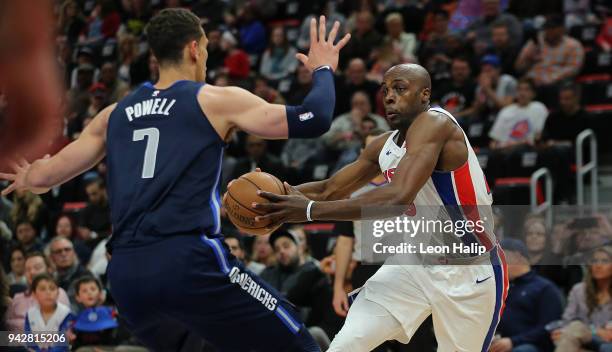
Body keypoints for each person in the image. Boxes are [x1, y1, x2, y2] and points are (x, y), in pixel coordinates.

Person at [0, 8, 349, 351]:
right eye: (207, 51)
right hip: (187, 261)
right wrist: (322, 68)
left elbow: (46, 176)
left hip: (125, 274)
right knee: (300, 343)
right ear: (194, 48)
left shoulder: (113, 114)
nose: (207, 60)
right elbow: (314, 117)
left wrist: (30, 175)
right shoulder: (213, 99)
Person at [253, 63, 507, 351]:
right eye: (385, 90)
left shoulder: (437, 123)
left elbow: (397, 198)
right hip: (413, 263)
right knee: (346, 345)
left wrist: (308, 211)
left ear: (425, 95)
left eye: (400, 88)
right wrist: (272, 197)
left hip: (470, 269)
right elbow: (329, 188)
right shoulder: (383, 145)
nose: (388, 96)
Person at [492, 239, 563, 352]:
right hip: (500, 343)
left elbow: (548, 327)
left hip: (531, 346)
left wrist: (513, 341)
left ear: (516, 257)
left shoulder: (545, 288)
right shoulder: (501, 288)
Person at [551, 247, 612, 352]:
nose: (598, 265)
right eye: (594, 261)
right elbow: (567, 320)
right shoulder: (578, 290)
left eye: (605, 261)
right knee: (574, 329)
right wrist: (595, 331)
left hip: (607, 343)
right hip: (583, 339)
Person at [6, 252, 71, 332]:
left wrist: (17, 326)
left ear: (49, 269)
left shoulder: (58, 293)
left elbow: (53, 331)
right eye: (28, 269)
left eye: (37, 268)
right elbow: (5, 332)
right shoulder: (18, 298)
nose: (32, 272)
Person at [25, 273, 73, 352]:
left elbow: (62, 343)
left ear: (58, 293)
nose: (48, 292)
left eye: (52, 289)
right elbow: (29, 340)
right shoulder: (30, 314)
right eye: (43, 289)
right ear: (34, 294)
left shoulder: (66, 313)